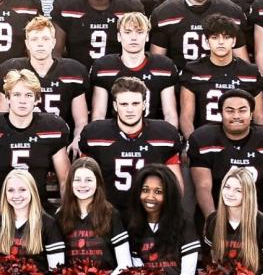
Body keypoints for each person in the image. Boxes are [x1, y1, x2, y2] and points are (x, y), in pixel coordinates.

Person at [0, 69, 71, 218]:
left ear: (37, 99)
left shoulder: (52, 127)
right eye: (17, 95)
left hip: (38, 208)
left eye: (28, 95)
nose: (22, 100)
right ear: (8, 98)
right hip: (0, 208)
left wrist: (66, 206)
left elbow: (65, 179)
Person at [187, 89, 263, 236]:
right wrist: (212, 218)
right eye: (230, 111)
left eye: (242, 111)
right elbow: (203, 186)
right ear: (221, 114)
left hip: (254, 209)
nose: (236, 116)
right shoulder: (203, 138)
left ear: (252, 114)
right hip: (216, 207)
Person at [78, 76, 184, 218]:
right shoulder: (94, 134)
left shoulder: (165, 133)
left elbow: (175, 184)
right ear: (115, 106)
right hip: (107, 214)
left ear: (144, 104)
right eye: (124, 104)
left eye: (135, 103)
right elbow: (82, 179)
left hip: (149, 214)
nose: (130, 110)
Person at [0, 16, 88, 136]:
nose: (40, 44)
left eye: (45, 39)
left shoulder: (73, 70)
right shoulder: (10, 69)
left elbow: (81, 122)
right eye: (34, 39)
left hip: (59, 139)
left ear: (53, 42)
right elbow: (2, 118)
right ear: (27, 44)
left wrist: (76, 140)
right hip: (20, 136)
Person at [149, 0, 247, 67]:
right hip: (181, 78)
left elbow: (242, 62)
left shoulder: (229, 10)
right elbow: (156, 63)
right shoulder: (166, 12)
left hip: (218, 78)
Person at [179, 14, 263, 137]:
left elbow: (259, 116)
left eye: (226, 37)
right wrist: (193, 144)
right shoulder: (193, 71)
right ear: (207, 41)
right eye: (214, 37)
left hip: (242, 138)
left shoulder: (250, 71)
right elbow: (186, 117)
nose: (220, 42)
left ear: (234, 41)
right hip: (205, 138)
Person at [89, 13, 180, 125]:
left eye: (140, 32)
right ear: (119, 36)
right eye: (127, 32)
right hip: (113, 134)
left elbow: (170, 114)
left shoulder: (163, 66)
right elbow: (98, 115)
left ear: (147, 36)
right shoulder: (103, 67)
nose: (133, 38)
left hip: (152, 132)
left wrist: (170, 139)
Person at [52, 0, 143, 64]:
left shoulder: (129, 6)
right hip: (78, 72)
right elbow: (55, 52)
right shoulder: (67, 5)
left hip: (116, 72)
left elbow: (138, 50)